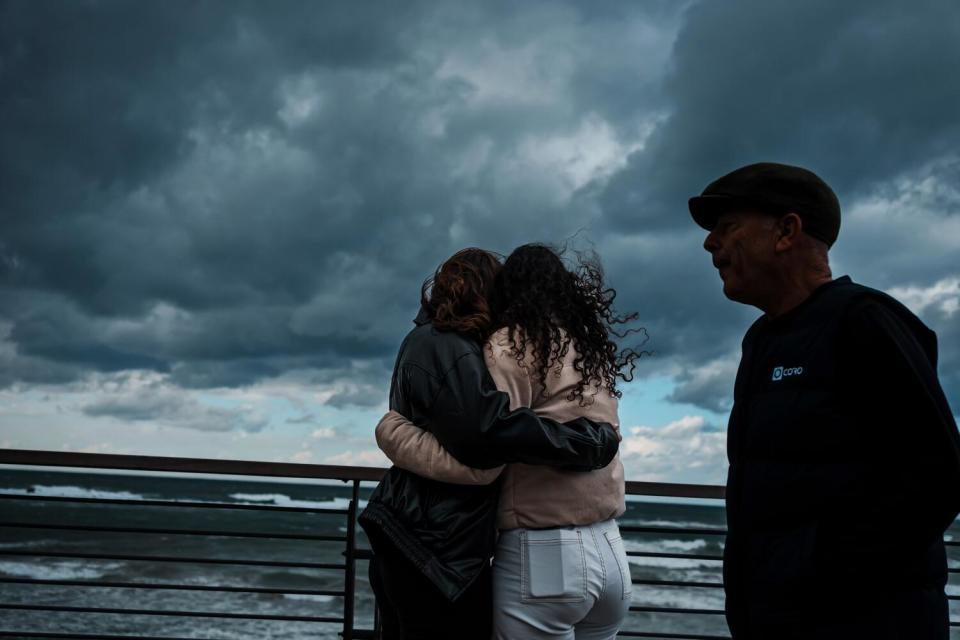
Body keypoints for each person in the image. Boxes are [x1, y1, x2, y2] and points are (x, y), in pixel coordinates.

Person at [689, 162, 960, 638]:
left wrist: (826, 568)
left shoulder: (867, 320)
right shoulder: (761, 339)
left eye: (727, 228)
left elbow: (939, 475)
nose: (711, 244)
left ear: (787, 231)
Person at [376, 244, 642, 640]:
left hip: (546, 553)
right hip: (611, 550)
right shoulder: (588, 349)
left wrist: (392, 433)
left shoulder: (510, 345)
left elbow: (486, 449)